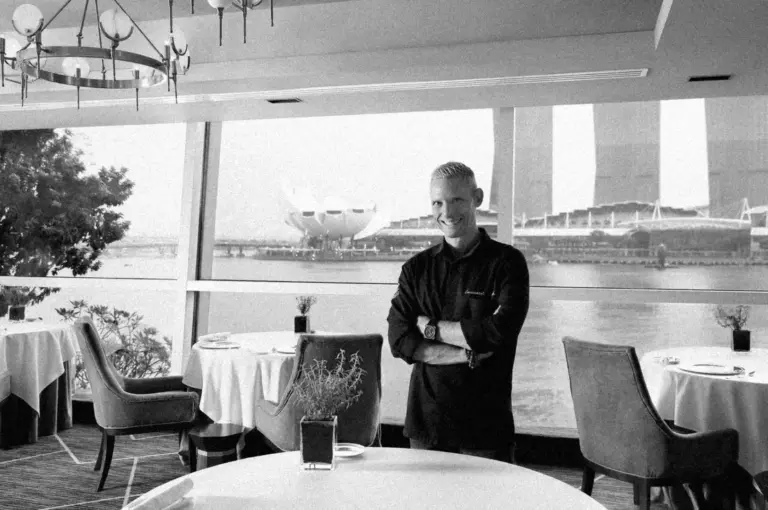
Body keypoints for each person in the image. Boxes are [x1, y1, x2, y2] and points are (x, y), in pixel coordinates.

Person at [387, 161, 529, 462]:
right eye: (438, 202)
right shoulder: (416, 269)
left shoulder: (508, 264)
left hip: (486, 428)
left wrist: (431, 328)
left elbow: (497, 332)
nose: (447, 213)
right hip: (426, 426)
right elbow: (399, 340)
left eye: (456, 200)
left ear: (477, 198)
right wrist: (467, 353)